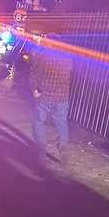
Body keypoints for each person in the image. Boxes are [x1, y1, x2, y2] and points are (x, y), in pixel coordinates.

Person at [30, 34, 73, 164]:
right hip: (62, 97)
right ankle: (63, 146)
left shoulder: (44, 57)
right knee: (61, 122)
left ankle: (41, 150)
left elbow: (35, 75)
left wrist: (34, 90)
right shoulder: (68, 59)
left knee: (38, 121)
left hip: (45, 96)